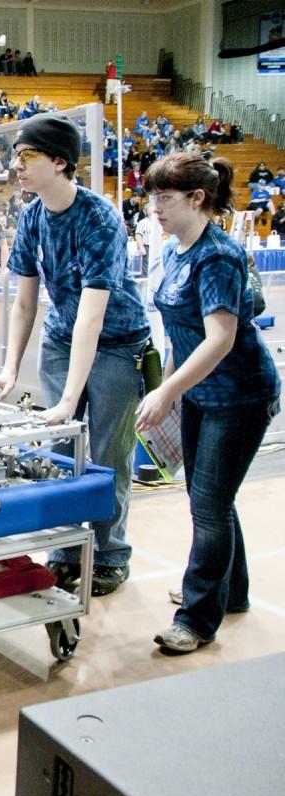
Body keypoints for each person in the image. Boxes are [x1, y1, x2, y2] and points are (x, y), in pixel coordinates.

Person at [0, 114, 150, 596]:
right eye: (15, 156)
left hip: (116, 343)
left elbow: (94, 317)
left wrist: (71, 398)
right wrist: (10, 368)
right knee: (59, 452)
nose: (17, 166)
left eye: (27, 156)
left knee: (109, 452)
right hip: (61, 338)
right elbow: (26, 299)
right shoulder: (31, 216)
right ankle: (67, 548)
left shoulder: (100, 218)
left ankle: (111, 553)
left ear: (59, 161)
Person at [136, 153, 280, 654]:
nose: (155, 208)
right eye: (152, 197)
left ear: (198, 199)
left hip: (239, 397)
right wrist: (173, 387)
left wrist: (166, 390)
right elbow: (183, 332)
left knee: (210, 506)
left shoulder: (217, 256)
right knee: (208, 499)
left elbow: (219, 338)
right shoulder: (176, 249)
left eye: (166, 198)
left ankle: (196, 618)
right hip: (200, 393)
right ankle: (229, 591)